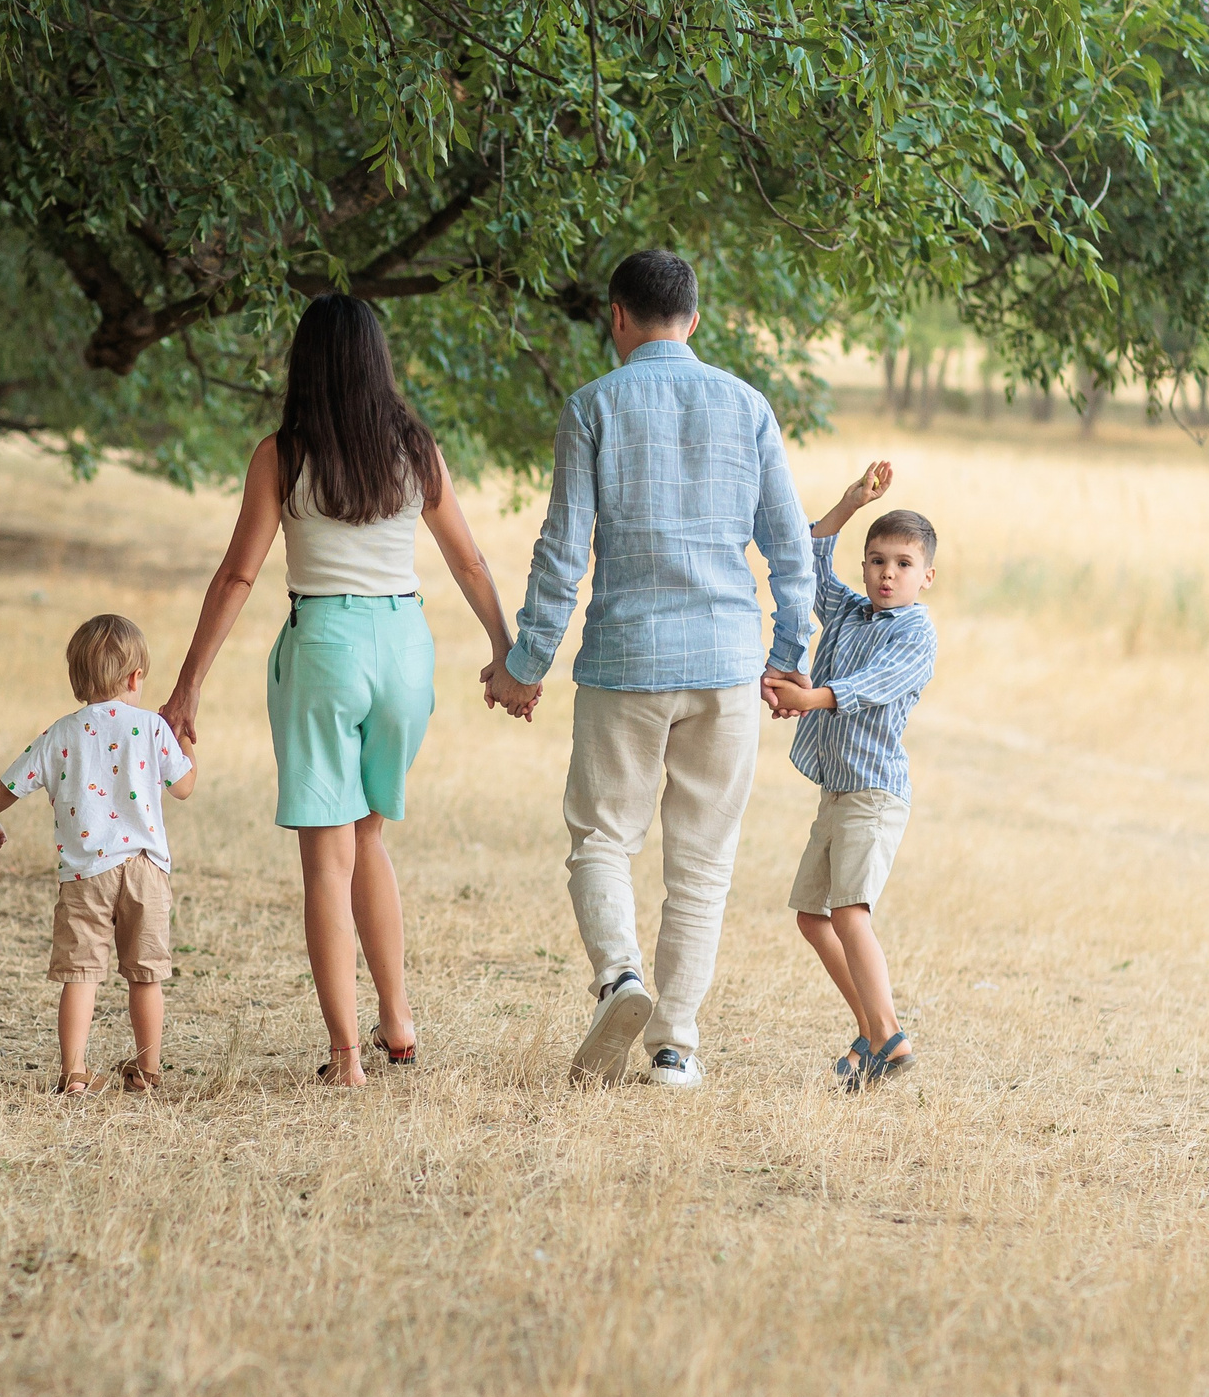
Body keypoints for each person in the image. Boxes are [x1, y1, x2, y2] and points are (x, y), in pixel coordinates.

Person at [161, 295, 517, 1087]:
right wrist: (506, 655)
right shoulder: (415, 449)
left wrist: (186, 688)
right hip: (403, 649)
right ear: (377, 361)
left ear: (306, 363)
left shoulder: (283, 455)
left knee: (326, 859)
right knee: (369, 838)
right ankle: (398, 1022)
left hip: (324, 644)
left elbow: (239, 574)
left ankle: (347, 1056)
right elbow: (468, 561)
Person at [485, 250, 814, 1090]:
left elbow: (562, 553)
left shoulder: (592, 405)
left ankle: (619, 976)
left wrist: (527, 662)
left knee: (602, 837)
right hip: (727, 666)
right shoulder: (748, 406)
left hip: (626, 660)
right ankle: (675, 1047)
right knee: (702, 862)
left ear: (617, 317)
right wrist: (785, 657)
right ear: (694, 320)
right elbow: (789, 546)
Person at [764, 461, 938, 1087]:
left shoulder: (916, 632)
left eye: (902, 564)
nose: (887, 574)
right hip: (836, 793)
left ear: (927, 575)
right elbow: (805, 558)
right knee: (814, 917)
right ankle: (872, 1029)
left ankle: (887, 1035)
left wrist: (806, 697)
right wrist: (847, 505)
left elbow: (871, 687)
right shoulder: (848, 610)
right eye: (876, 560)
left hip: (874, 793)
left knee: (850, 911)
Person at [0, 614, 197, 1096]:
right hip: (146, 871)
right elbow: (184, 788)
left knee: (80, 974)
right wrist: (185, 743)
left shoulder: (61, 733)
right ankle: (146, 1072)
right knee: (146, 975)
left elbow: (12, 781)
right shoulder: (153, 727)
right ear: (136, 678)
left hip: (84, 875)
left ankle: (74, 1071)